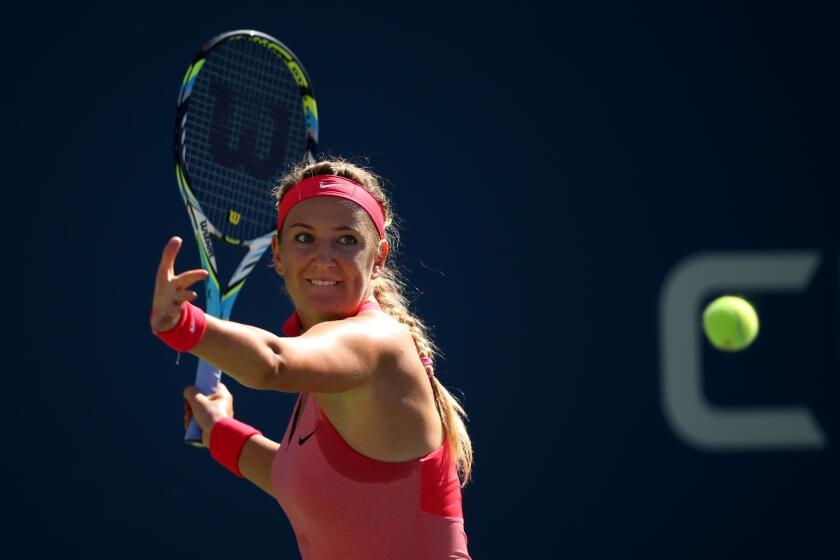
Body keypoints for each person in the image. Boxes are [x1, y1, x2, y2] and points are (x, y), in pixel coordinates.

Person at [151, 158, 473, 559]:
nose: (324, 257)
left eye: (346, 239)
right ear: (278, 254)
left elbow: (273, 363)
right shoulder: (328, 368)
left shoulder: (377, 342)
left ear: (378, 258)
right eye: (304, 238)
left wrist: (181, 325)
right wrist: (219, 429)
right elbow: (299, 479)